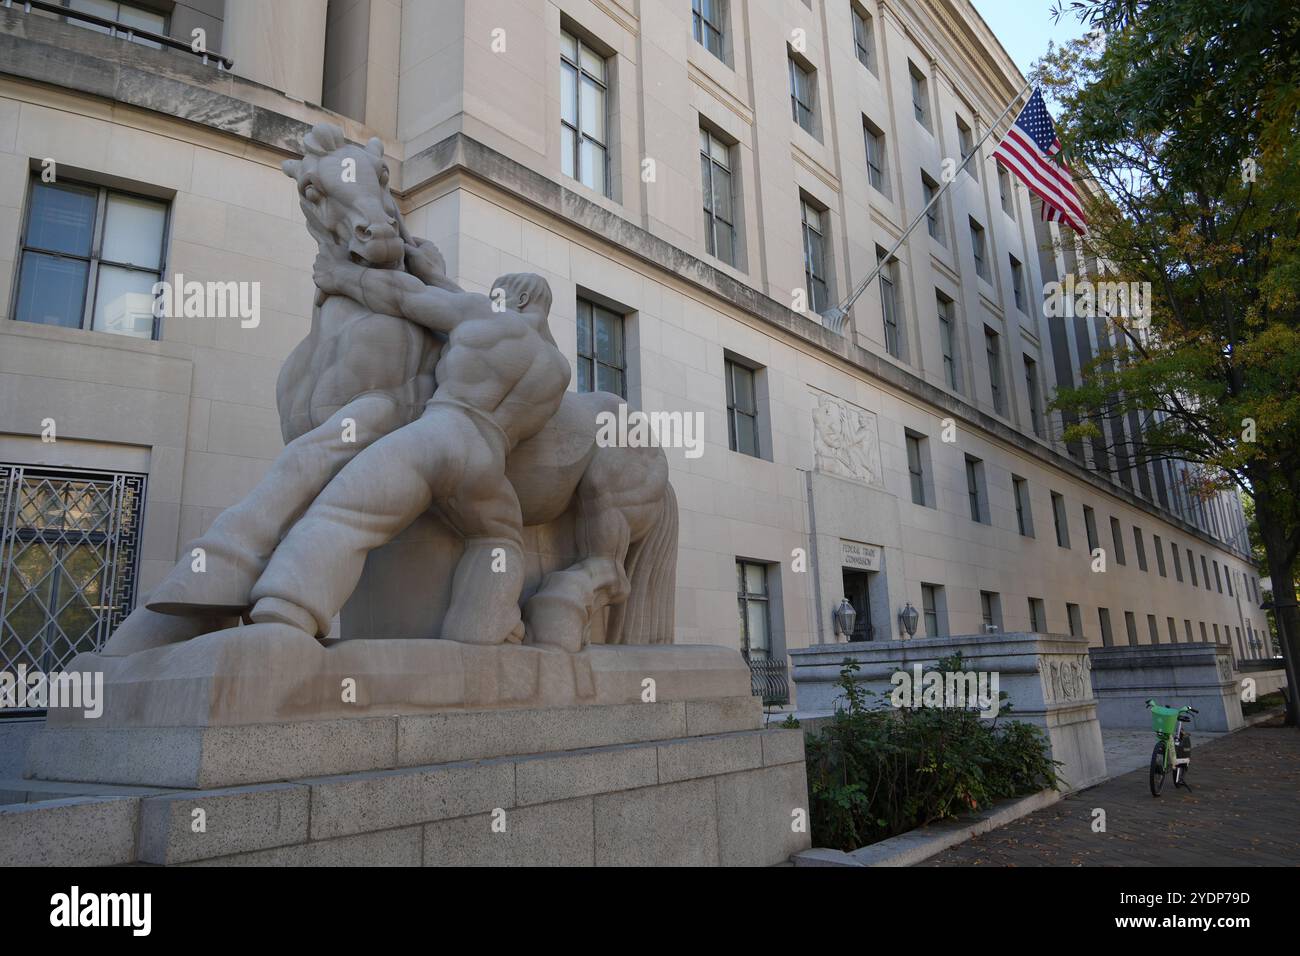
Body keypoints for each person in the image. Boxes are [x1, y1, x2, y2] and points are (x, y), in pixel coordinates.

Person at [245, 258, 571, 647]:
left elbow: (406, 298)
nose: (490, 299)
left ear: (516, 298)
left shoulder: (485, 315)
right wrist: (434, 270)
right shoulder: (558, 367)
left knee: (345, 511)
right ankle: (481, 627)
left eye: (497, 293)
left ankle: (288, 604)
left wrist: (342, 276)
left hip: (439, 434)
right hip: (488, 461)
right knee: (500, 539)